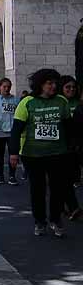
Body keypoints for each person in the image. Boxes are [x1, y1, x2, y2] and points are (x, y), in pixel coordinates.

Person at [9, 68, 74, 238]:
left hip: (58, 153)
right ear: (40, 85)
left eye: (55, 83)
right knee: (37, 189)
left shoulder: (62, 101)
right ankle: (40, 221)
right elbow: (16, 130)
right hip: (33, 155)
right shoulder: (27, 102)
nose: (53, 86)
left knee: (58, 189)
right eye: (49, 83)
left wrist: (72, 148)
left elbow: (69, 127)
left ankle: (55, 219)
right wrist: (13, 153)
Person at [60, 76, 82, 220]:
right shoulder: (59, 103)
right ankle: (70, 207)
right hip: (62, 146)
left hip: (76, 146)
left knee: (70, 178)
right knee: (64, 179)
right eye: (68, 87)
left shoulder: (78, 104)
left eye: (73, 87)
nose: (71, 90)